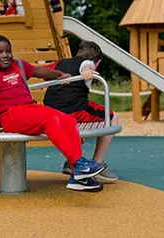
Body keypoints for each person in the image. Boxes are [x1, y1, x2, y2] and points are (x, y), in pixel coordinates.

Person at [0, 35, 106, 191]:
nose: (5, 55)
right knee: (49, 119)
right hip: (8, 115)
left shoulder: (18, 65)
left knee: (68, 120)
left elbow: (39, 71)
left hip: (28, 108)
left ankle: (78, 178)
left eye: (8, 51)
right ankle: (79, 164)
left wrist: (59, 75)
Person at [43, 40, 120, 181]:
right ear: (98, 63)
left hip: (50, 109)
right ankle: (97, 163)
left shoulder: (61, 63)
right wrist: (87, 70)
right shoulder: (88, 63)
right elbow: (86, 64)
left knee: (73, 123)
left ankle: (71, 162)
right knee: (113, 117)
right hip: (73, 108)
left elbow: (46, 72)